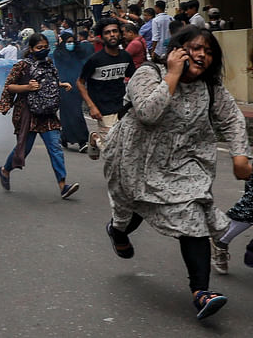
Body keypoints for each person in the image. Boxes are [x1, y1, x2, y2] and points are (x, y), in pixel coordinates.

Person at [103, 26, 252, 320]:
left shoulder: (210, 87)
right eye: (195, 48)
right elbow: (147, 113)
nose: (201, 55)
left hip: (185, 161)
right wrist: (171, 75)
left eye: (208, 51)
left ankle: (201, 292)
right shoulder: (148, 73)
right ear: (177, 49)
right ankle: (117, 229)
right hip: (137, 158)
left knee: (193, 213)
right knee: (133, 209)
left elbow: (233, 119)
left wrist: (239, 155)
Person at [0, 33, 79, 198]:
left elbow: (50, 81)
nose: (43, 50)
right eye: (39, 48)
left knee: (55, 147)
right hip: (29, 113)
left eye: (45, 47)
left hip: (47, 113)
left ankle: (63, 185)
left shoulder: (49, 64)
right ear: (31, 49)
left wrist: (61, 84)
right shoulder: (22, 66)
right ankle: (5, 169)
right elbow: (10, 87)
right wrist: (27, 87)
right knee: (24, 149)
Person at [76, 18, 135, 160]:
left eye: (115, 31)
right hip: (103, 109)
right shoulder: (95, 60)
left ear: (120, 34)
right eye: (108, 33)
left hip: (122, 107)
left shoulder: (125, 57)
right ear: (102, 37)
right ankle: (96, 138)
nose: (112, 35)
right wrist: (92, 106)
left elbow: (133, 79)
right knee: (111, 150)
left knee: (125, 146)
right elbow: (80, 82)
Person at [52, 32, 92, 153]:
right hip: (64, 86)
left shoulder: (78, 52)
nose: (71, 44)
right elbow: (62, 63)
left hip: (77, 85)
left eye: (72, 41)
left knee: (75, 112)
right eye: (68, 42)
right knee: (68, 113)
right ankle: (75, 138)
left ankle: (73, 138)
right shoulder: (58, 53)